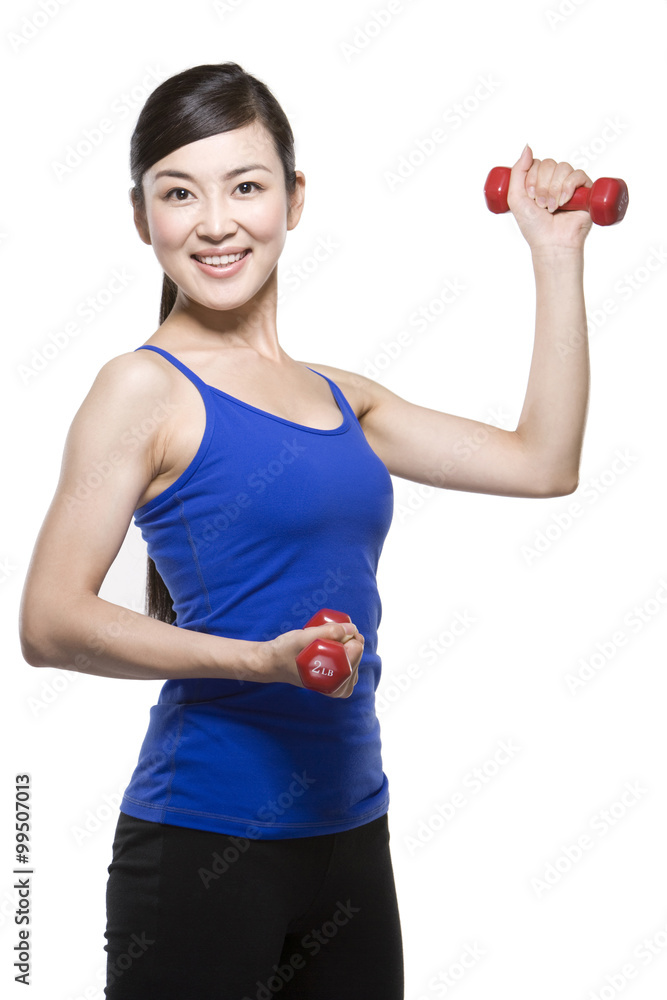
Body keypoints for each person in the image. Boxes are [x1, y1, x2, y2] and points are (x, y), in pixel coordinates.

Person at [18, 61, 594, 999]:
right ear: (141, 219)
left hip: (350, 840)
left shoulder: (343, 397)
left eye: (245, 186)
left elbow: (543, 463)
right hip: (203, 842)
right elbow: (48, 623)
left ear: (292, 199)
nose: (214, 223)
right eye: (178, 193)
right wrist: (261, 661)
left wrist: (555, 251)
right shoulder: (143, 389)